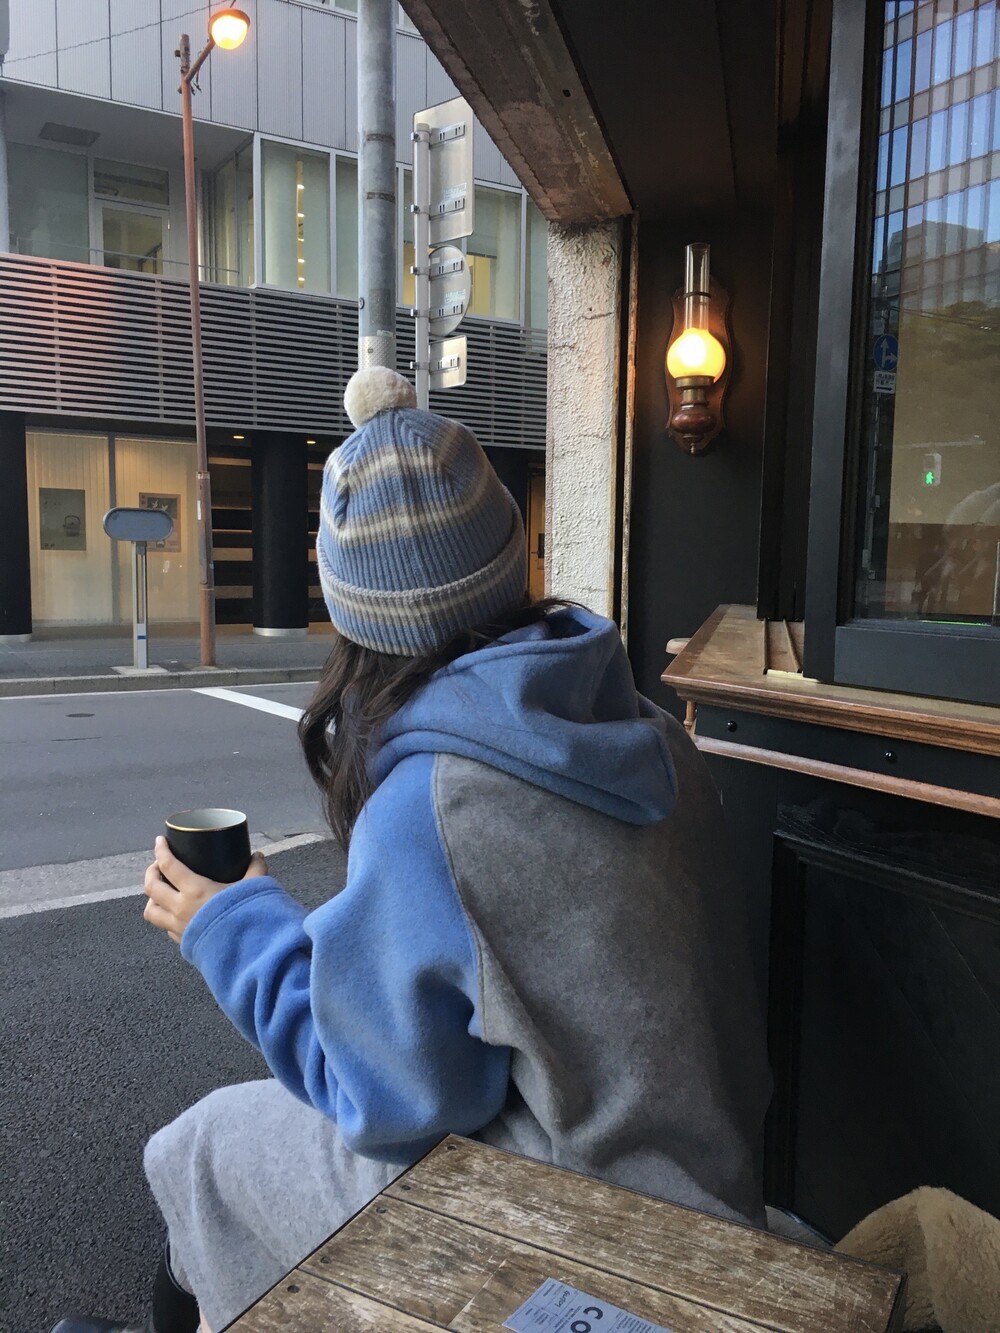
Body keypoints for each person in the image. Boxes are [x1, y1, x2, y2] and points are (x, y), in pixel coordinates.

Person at [54, 367, 771, 1333]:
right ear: (509, 555)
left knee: (205, 1146)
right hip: (715, 1193)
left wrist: (232, 929)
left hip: (582, 1239)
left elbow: (398, 1102)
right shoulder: (654, 737)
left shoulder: (433, 802)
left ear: (352, 614)